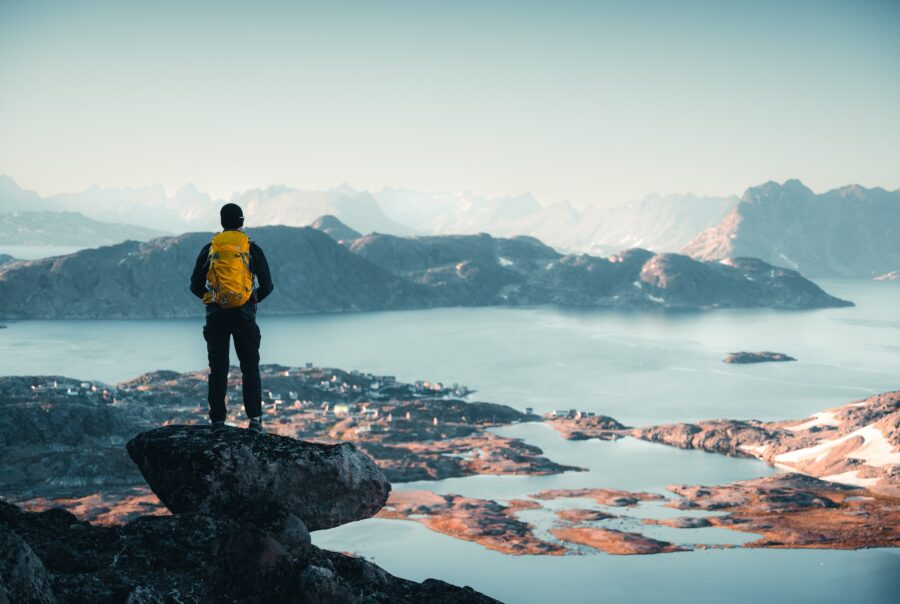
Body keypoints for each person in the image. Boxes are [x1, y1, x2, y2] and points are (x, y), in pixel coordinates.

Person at [189, 203, 274, 431]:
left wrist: (212, 298)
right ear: (241, 222)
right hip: (244, 317)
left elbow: (195, 285)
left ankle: (218, 420)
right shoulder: (251, 249)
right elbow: (268, 286)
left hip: (216, 316)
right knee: (249, 368)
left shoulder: (210, 249)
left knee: (218, 369)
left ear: (222, 221)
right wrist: (251, 300)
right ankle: (254, 420)